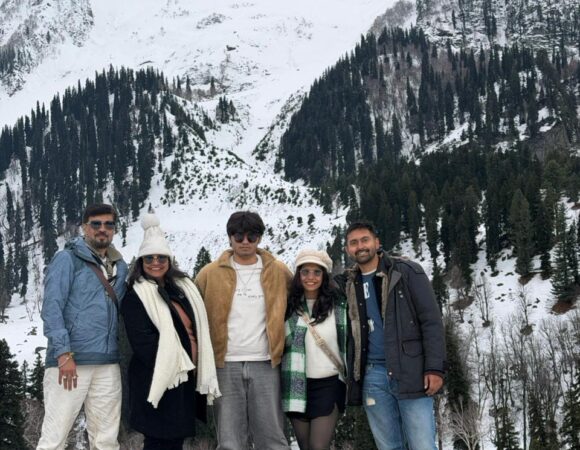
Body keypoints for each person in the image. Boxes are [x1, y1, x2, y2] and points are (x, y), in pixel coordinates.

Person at [341, 221, 446, 450]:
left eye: (365, 240)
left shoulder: (406, 272)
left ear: (377, 242)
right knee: (389, 447)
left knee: (422, 445)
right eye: (354, 243)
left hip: (411, 370)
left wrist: (434, 368)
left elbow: (431, 321)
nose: (360, 246)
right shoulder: (348, 283)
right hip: (372, 376)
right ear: (348, 249)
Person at [121, 214, 220, 450]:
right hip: (159, 378)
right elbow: (143, 343)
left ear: (169, 259)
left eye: (161, 257)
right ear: (141, 262)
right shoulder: (136, 296)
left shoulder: (182, 289)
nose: (155, 262)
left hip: (183, 379)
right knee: (158, 440)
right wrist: (173, 366)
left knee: (175, 441)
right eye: (149, 258)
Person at [195, 211, 292, 450]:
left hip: (266, 362)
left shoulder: (278, 271)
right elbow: (194, 312)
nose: (245, 241)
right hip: (224, 364)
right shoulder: (209, 273)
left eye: (252, 236)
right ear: (230, 237)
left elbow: (297, 303)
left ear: (260, 238)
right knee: (230, 440)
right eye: (239, 236)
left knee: (272, 437)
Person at [38, 204, 128, 450]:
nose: (102, 229)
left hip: (107, 361)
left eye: (108, 224)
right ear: (84, 227)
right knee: (55, 438)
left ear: (114, 229)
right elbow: (52, 307)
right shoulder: (67, 259)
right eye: (96, 224)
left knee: (106, 440)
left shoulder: (120, 267)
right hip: (71, 360)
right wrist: (63, 352)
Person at [282, 249, 348, 450]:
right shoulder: (288, 307)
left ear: (324, 275)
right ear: (298, 275)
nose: (311, 277)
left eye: (317, 272)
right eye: (305, 272)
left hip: (329, 384)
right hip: (295, 384)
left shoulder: (338, 305)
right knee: (305, 446)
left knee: (318, 447)